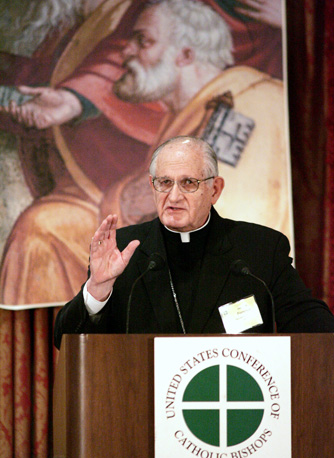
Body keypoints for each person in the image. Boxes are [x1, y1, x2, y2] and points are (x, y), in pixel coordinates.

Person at [1, 0, 287, 306]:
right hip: (183, 284)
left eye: (143, 42)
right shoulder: (185, 117)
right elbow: (140, 205)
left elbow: (225, 226)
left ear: (185, 54)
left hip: (229, 305)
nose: (125, 54)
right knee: (44, 230)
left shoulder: (241, 105)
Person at [54, 136, 334, 349]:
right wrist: (98, 288)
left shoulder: (259, 248)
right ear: (152, 186)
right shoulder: (124, 248)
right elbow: (63, 339)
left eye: (188, 183)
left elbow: (310, 322)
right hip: (140, 408)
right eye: (164, 182)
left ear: (215, 189)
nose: (173, 196)